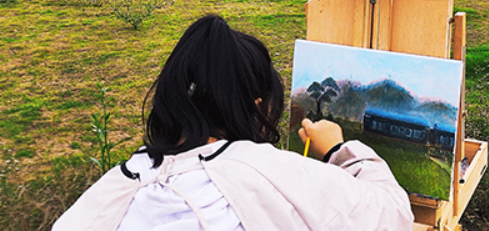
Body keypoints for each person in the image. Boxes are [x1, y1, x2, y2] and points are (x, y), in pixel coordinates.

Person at [53, 15, 413, 231]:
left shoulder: (120, 180)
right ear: (256, 103)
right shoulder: (262, 167)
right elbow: (391, 217)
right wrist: (339, 150)